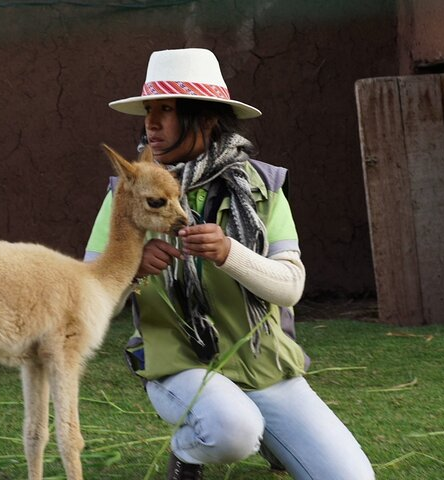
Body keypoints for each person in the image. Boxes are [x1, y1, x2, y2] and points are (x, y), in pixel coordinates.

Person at [85, 48, 374, 480]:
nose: (151, 123)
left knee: (352, 477)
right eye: (149, 110)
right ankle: (190, 449)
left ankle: (271, 436)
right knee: (232, 430)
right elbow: (88, 298)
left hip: (264, 365)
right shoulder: (127, 193)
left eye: (167, 110)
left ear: (206, 118)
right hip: (179, 362)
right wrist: (133, 265)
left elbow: (291, 286)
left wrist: (229, 253)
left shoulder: (264, 186)